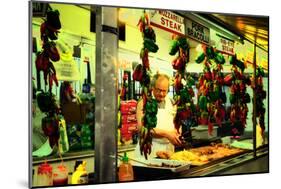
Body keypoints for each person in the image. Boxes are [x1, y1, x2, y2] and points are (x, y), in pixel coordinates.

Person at [135, 73, 183, 159]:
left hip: (169, 150)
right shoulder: (144, 102)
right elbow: (141, 128)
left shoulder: (172, 103)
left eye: (164, 91)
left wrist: (177, 133)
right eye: (158, 90)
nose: (161, 94)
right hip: (150, 149)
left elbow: (177, 124)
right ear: (152, 88)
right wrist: (167, 134)